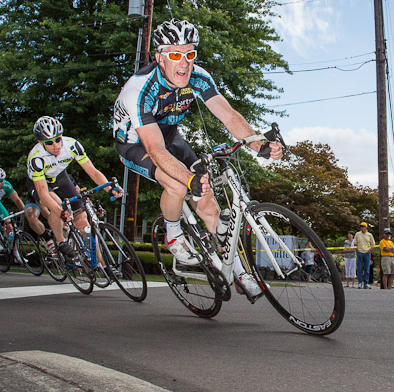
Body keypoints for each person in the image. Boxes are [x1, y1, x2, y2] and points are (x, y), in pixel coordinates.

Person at [112, 18, 283, 297]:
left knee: (210, 206)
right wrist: (189, 178)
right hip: (136, 142)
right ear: (159, 58)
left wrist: (258, 145)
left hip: (168, 134)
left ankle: (239, 273)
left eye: (189, 54)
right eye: (175, 54)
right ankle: (173, 234)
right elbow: (155, 151)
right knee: (179, 185)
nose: (184, 63)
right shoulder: (139, 90)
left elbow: (228, 115)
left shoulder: (199, 77)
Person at [26, 116, 123, 257]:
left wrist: (109, 188)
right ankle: (60, 242)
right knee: (57, 204)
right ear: (40, 142)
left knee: (83, 222)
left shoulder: (72, 145)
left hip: (60, 177)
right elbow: (43, 194)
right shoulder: (36, 158)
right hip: (41, 183)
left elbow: (93, 172)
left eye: (58, 139)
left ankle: (104, 268)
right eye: (50, 142)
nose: (56, 145)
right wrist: (60, 212)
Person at [0, 167, 26, 263]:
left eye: (1, 181)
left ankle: (16, 253)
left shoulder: (6, 185)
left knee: (9, 224)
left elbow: (17, 200)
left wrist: (24, 211)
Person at [354, 222, 375, 289]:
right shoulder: (357, 234)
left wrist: (371, 249)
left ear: (366, 227)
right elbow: (355, 243)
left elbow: (373, 243)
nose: (362, 228)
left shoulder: (369, 235)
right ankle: (360, 282)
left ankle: (366, 283)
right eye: (361, 227)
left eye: (363, 227)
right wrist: (356, 249)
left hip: (367, 252)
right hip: (360, 252)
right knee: (360, 268)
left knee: (367, 269)